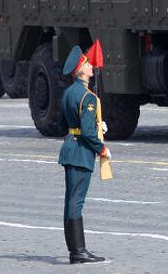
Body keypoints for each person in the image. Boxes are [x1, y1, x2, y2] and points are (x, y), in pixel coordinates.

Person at [58, 45, 111, 264]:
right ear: (81, 70)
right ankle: (78, 251)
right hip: (81, 152)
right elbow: (88, 132)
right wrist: (102, 148)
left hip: (70, 146)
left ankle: (76, 250)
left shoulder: (69, 93)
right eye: (88, 64)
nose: (91, 66)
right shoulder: (87, 97)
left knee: (70, 200)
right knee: (76, 202)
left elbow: (65, 123)